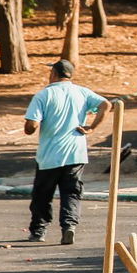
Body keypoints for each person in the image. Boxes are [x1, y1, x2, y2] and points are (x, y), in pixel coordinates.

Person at [23, 59, 108, 244]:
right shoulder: (82, 92)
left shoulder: (44, 95)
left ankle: (39, 231)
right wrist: (92, 127)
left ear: (53, 73)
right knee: (71, 192)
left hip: (50, 155)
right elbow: (106, 104)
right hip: (76, 153)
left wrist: (30, 126)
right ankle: (69, 227)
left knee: (42, 194)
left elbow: (32, 125)